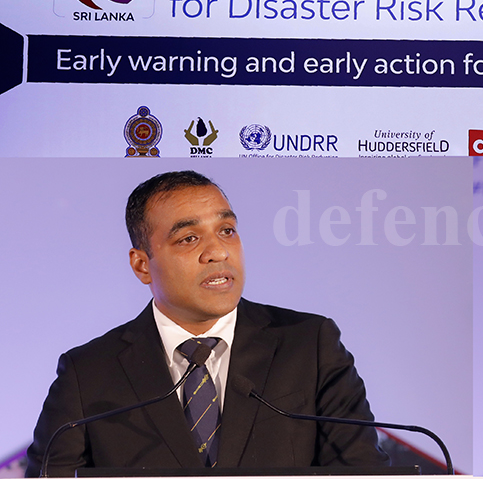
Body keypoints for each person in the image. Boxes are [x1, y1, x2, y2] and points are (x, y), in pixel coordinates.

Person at [27, 170, 388, 476]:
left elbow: (363, 471)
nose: (218, 251)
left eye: (227, 230)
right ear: (141, 265)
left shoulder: (310, 345)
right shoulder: (87, 373)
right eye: (189, 238)